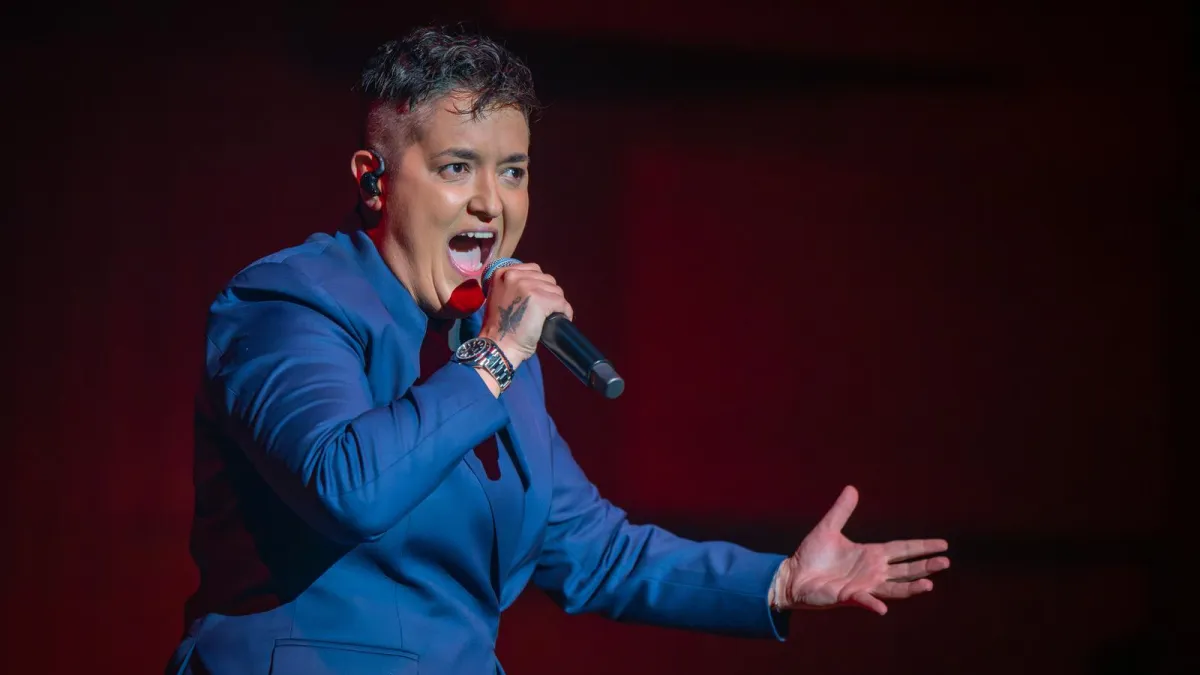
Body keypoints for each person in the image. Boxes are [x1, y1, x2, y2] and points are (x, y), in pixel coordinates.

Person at [165, 27, 950, 675]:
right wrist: (496, 357)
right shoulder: (293, 302)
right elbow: (347, 485)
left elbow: (591, 549)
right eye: (456, 168)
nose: (491, 202)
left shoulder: (488, 347)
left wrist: (778, 581)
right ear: (375, 181)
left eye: (512, 171)